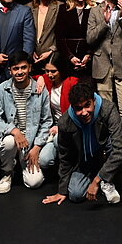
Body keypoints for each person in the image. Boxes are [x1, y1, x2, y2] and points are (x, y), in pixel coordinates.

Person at [42, 82, 122, 205]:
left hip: (105, 154)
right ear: (72, 107)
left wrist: (97, 180)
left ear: (94, 101)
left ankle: (105, 179)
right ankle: (97, 176)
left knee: (113, 144)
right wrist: (62, 190)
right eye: (78, 108)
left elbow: (121, 148)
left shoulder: (108, 109)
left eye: (87, 105)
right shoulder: (65, 122)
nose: (84, 112)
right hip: (83, 159)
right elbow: (65, 157)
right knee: (75, 195)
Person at [0, 51, 54, 192]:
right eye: (16, 68)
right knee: (8, 142)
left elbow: (47, 121)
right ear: (10, 71)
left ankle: (21, 164)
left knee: (34, 182)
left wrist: (37, 146)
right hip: (13, 138)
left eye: (23, 67)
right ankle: (7, 172)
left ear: (30, 68)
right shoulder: (2, 89)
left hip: (30, 142)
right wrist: (15, 131)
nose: (20, 72)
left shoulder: (40, 90)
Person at [40, 51, 79, 179]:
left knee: (59, 140)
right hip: (52, 128)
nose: (50, 75)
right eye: (47, 71)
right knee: (44, 160)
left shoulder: (72, 82)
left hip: (70, 127)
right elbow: (32, 78)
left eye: (54, 71)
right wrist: (40, 77)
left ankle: (69, 170)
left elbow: (76, 111)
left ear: (61, 69)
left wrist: (61, 126)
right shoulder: (47, 79)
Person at [56, 0, 94, 80]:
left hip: (89, 59)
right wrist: (70, 57)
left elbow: (97, 36)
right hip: (68, 60)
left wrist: (89, 55)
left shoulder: (94, 8)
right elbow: (59, 37)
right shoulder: (63, 9)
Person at [28, 0, 60, 71]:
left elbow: (63, 34)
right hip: (33, 59)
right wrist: (30, 51)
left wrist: (51, 50)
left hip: (54, 58)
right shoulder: (28, 8)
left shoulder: (60, 7)